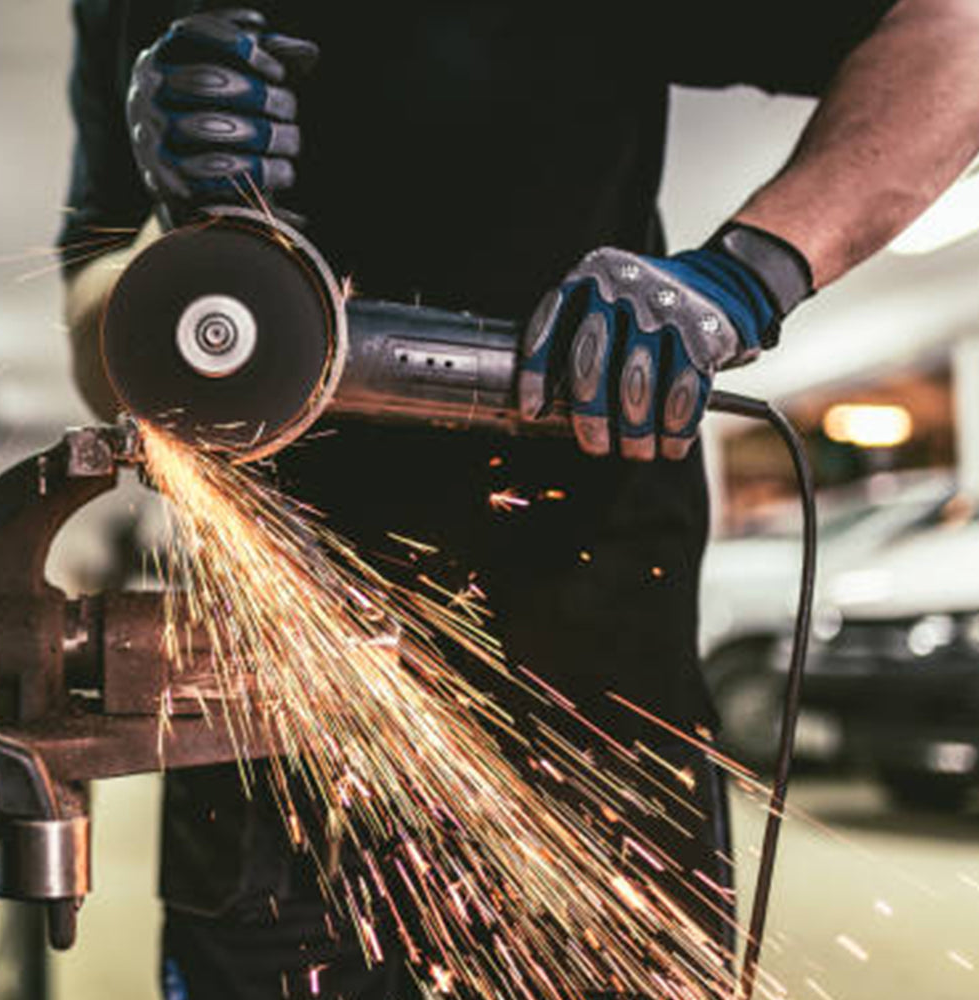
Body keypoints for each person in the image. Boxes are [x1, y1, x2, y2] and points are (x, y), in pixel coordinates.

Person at [56, 3, 979, 997]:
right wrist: (168, 243)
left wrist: (741, 274)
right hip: (268, 702)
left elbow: (954, 37)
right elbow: (91, 340)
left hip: (584, 667)